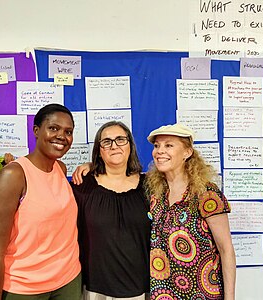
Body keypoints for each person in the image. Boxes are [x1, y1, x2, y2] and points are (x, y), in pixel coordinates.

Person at [0, 103, 81, 300]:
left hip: (68, 280)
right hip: (25, 288)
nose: (62, 136)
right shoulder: (14, 175)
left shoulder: (60, 169)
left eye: (68, 131)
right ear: (36, 131)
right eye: (53, 128)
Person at [145, 123, 236, 300]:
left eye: (169, 145)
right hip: (163, 293)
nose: (160, 151)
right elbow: (119, 176)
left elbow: (226, 250)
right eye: (157, 146)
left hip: (201, 293)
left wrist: (230, 297)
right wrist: (89, 166)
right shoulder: (154, 192)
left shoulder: (206, 193)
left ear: (187, 153)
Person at [71, 121, 150, 300]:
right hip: (95, 289)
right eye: (107, 142)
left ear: (130, 145)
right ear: (99, 150)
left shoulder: (151, 186)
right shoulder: (82, 187)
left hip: (139, 288)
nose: (114, 146)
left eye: (120, 139)